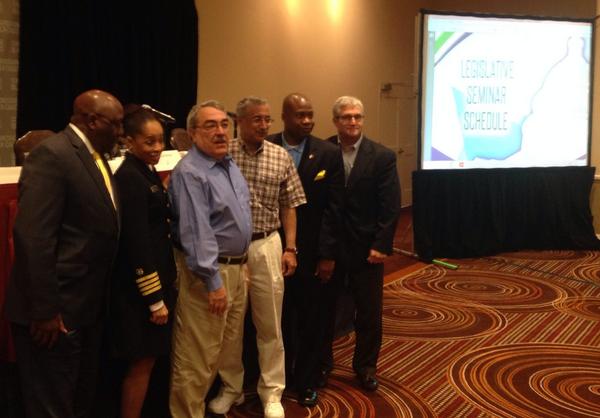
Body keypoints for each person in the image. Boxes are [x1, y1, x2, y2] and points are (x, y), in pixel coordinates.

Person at [5, 89, 123, 417]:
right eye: (115, 124)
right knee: (51, 405)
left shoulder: (94, 155)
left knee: (76, 401)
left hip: (84, 307)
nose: (120, 132)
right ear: (91, 121)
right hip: (53, 314)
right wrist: (44, 310)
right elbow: (33, 237)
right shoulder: (52, 155)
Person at [210, 97, 306, 418]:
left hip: (267, 244)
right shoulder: (223, 155)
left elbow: (289, 205)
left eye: (267, 119)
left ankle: (272, 392)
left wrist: (290, 248)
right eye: (256, 119)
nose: (264, 125)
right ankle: (231, 388)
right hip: (228, 250)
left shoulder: (280, 156)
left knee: (270, 324)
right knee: (229, 326)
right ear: (239, 121)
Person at [168, 100, 252, 418]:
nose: (220, 131)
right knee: (196, 357)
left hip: (235, 269)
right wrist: (214, 281)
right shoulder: (191, 172)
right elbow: (197, 233)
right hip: (208, 276)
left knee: (221, 349)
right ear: (192, 133)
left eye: (224, 124)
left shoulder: (228, 164)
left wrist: (242, 264)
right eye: (210, 125)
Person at [267, 93, 343, 406]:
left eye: (310, 114)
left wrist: (327, 255)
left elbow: (335, 209)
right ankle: (277, 377)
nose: (307, 120)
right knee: (276, 319)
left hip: (312, 253)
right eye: (300, 115)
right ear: (284, 117)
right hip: (271, 249)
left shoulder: (328, 153)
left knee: (310, 318)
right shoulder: (267, 146)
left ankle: (306, 380)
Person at [321, 95, 401, 392]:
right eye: (346, 117)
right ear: (335, 121)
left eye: (357, 116)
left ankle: (365, 367)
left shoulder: (381, 157)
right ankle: (322, 364)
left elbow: (390, 206)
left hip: (366, 250)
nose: (353, 121)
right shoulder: (322, 151)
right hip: (330, 250)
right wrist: (321, 249)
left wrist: (381, 244)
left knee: (368, 313)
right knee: (325, 311)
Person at [110, 106, 177, 418]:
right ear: (129, 141)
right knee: (141, 363)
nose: (157, 148)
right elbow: (136, 243)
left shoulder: (145, 170)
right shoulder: (129, 177)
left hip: (156, 282)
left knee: (149, 362)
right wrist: (154, 300)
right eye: (149, 142)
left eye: (160, 140)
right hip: (139, 293)